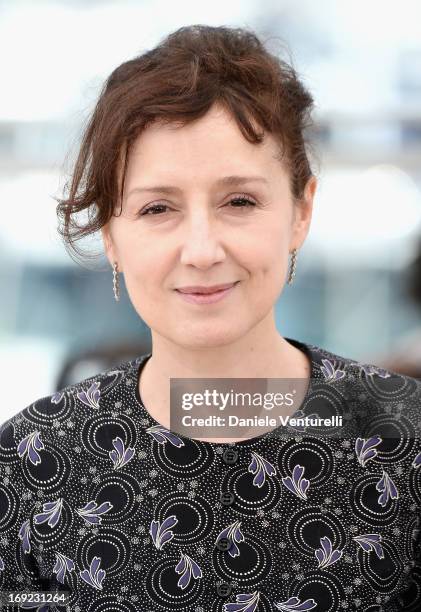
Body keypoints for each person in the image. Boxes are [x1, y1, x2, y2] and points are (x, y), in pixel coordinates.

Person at [0, 24, 420, 612]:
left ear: (301, 212)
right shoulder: (29, 463)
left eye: (239, 201)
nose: (201, 250)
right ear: (110, 237)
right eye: (157, 208)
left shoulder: (405, 441)